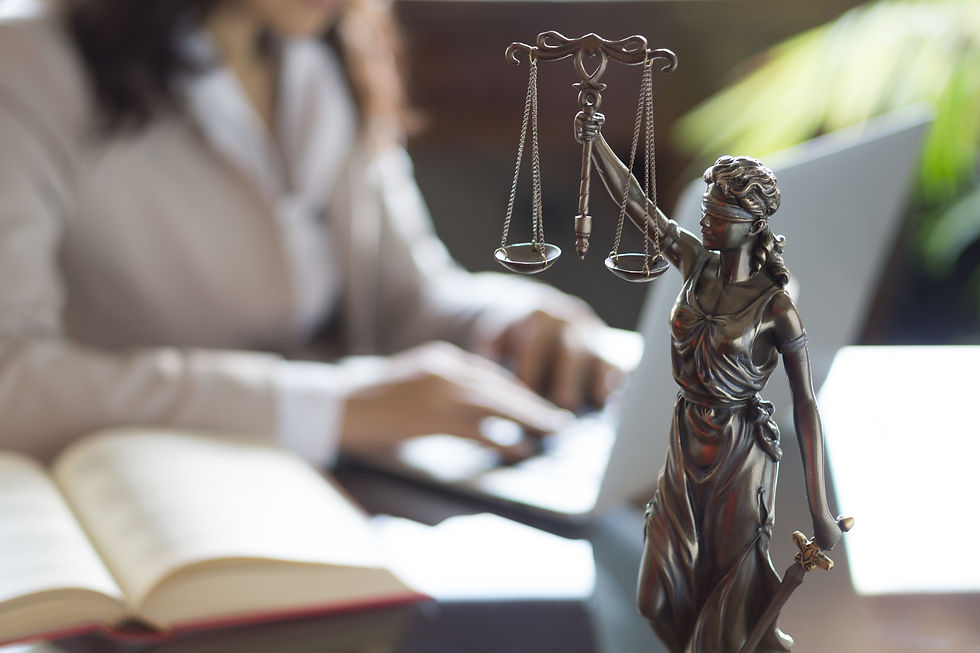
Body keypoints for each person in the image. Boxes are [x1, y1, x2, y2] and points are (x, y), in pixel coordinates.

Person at [0, 0, 620, 465]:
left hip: (332, 497)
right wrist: (333, 407)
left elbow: (403, 298)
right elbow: (12, 379)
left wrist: (510, 318)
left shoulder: (318, 49)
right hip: (146, 506)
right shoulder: (27, 64)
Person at [576, 115, 842, 652]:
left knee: (726, 600)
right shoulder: (696, 265)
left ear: (750, 223)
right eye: (706, 211)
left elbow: (806, 405)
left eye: (718, 215)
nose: (706, 222)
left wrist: (821, 511)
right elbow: (636, 204)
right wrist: (594, 139)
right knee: (658, 597)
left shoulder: (777, 308)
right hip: (685, 439)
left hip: (739, 454)